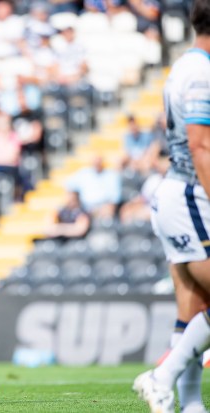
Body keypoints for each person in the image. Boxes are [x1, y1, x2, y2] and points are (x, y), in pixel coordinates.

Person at [133, 2, 210, 413]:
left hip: (180, 192)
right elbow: (200, 145)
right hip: (192, 194)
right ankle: (161, 379)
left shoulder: (187, 66)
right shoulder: (201, 72)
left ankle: (192, 403)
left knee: (195, 305)